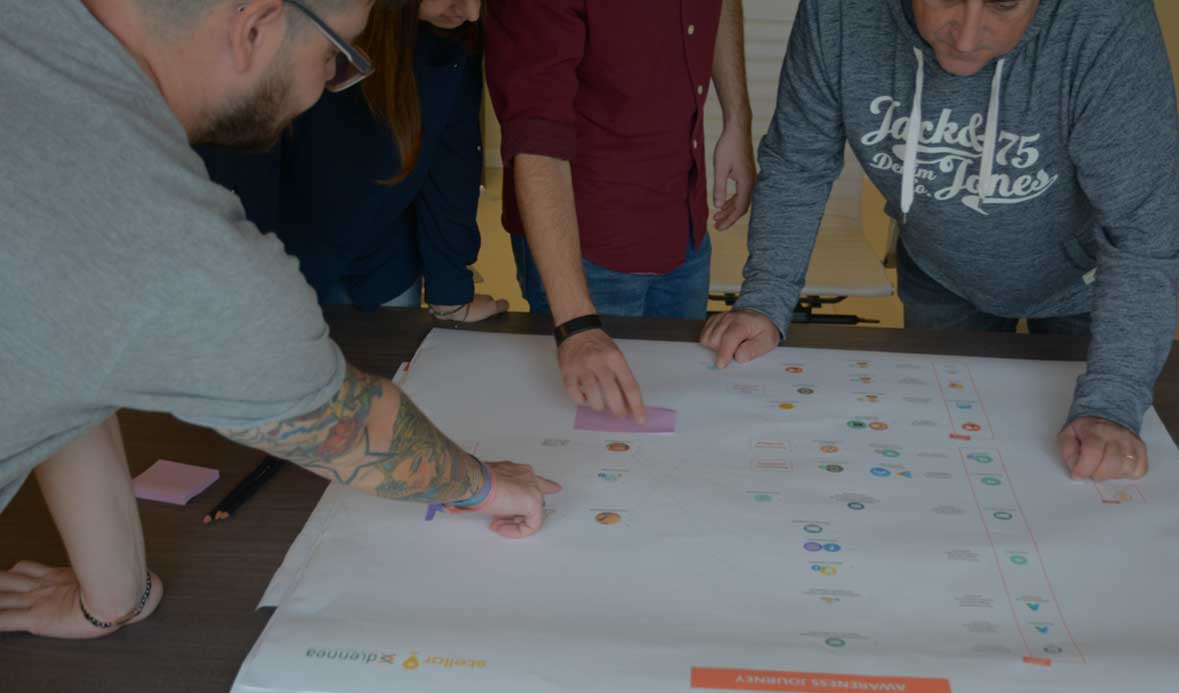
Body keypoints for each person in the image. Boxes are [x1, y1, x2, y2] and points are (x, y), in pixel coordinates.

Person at [0, 0, 558, 640]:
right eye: (337, 55)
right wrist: (485, 486)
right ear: (254, 28)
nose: (332, 81)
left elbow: (68, 360)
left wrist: (115, 596)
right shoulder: (164, 231)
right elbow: (354, 430)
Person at [702, 0, 1179, 482]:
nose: (966, 36)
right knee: (944, 458)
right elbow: (799, 163)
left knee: (1072, 470)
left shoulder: (1107, 20)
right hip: (939, 272)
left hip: (1086, 290)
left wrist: (1111, 403)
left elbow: (1144, 233)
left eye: (1004, 5)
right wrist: (765, 299)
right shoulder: (840, 12)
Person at [484, 0, 756, 423]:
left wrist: (738, 118)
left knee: (676, 412)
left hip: (682, 218)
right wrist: (577, 326)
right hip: (588, 242)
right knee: (597, 429)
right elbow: (536, 141)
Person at [201, 0, 507, 320]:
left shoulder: (453, 39)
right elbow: (243, 171)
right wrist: (252, 292)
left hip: (383, 264)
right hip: (280, 261)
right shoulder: (287, 31)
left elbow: (453, 162)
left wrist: (451, 289)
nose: (472, 13)